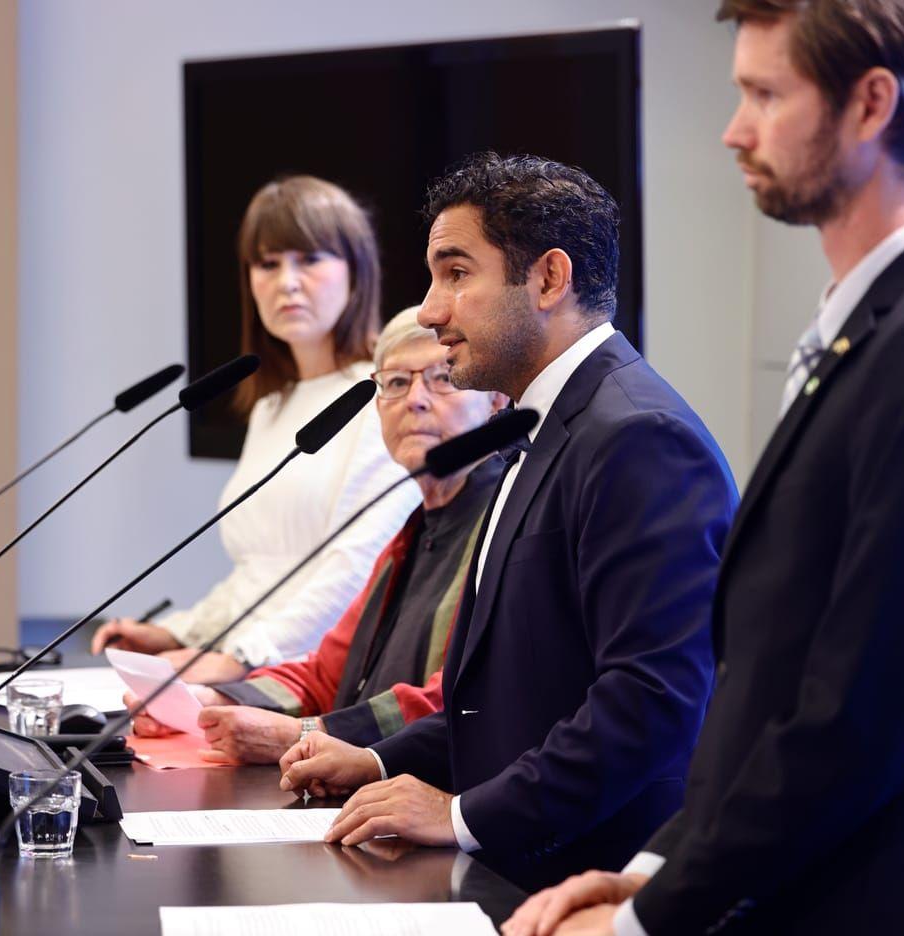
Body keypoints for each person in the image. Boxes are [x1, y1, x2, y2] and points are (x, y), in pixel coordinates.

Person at [503, 3, 904, 935]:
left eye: (764, 94)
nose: (733, 129)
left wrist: (652, 916)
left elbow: (856, 719)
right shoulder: (879, 329)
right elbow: (773, 685)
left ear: (871, 105)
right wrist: (650, 871)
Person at [277, 153, 739, 890]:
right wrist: (378, 759)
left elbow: (652, 703)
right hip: (518, 866)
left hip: (580, 883)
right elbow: (507, 695)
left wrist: (464, 815)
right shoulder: (541, 424)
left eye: (456, 273)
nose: (430, 309)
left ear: (548, 279)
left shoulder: (639, 436)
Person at [127, 307, 507, 764]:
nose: (416, 400)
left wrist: (308, 732)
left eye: (441, 378)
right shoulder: (414, 530)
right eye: (397, 383)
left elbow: (459, 700)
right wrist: (214, 701)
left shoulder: (507, 522)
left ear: (496, 399)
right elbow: (327, 673)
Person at [90, 176, 419, 680]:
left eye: (310, 259)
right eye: (268, 264)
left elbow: (356, 569)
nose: (287, 282)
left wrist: (241, 658)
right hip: (258, 667)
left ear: (357, 270)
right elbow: (261, 571)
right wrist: (184, 632)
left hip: (316, 680)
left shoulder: (387, 393)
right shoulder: (271, 406)